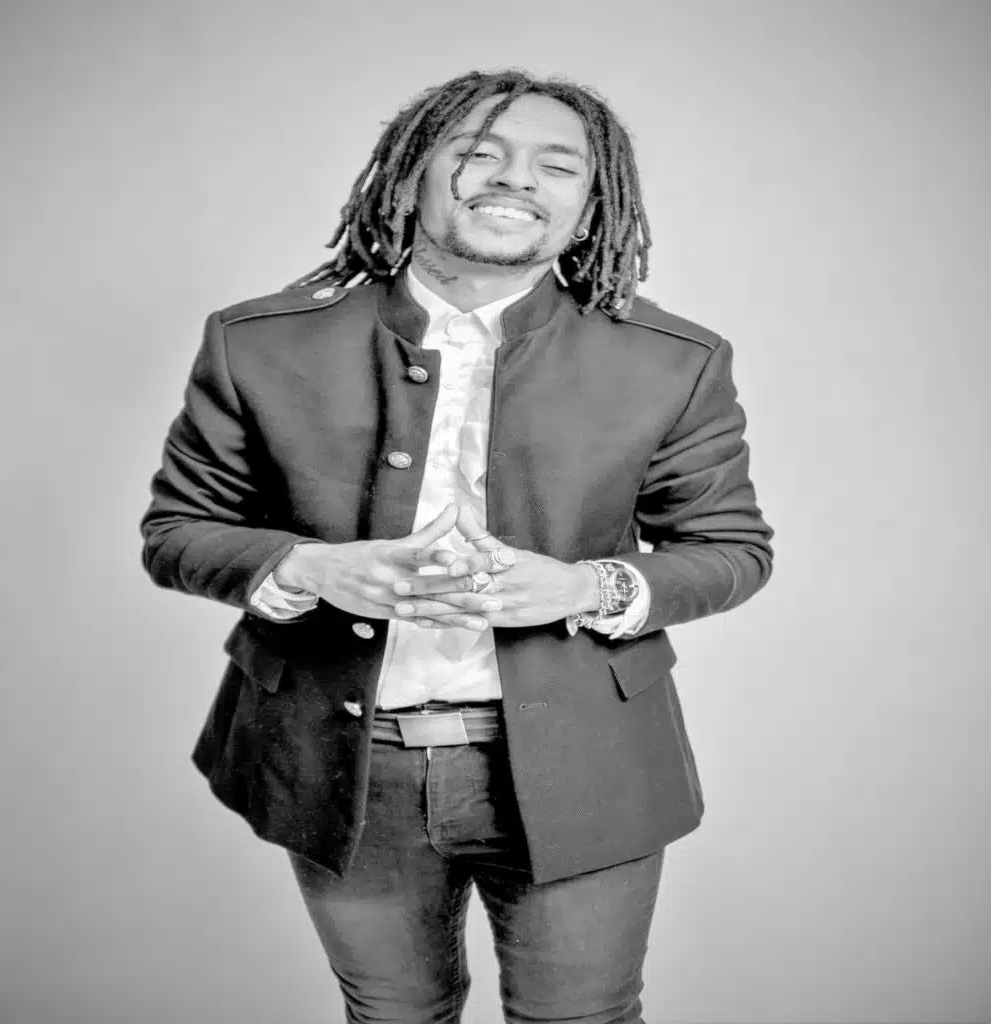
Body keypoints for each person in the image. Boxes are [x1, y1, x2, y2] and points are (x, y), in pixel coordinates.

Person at [141, 68, 774, 1024]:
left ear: (589, 203)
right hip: (341, 758)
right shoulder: (258, 343)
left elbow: (730, 548)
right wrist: (306, 569)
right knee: (391, 1015)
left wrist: (586, 587)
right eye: (480, 153)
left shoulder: (673, 361)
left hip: (588, 760)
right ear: (412, 175)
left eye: (557, 166)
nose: (516, 178)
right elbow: (179, 530)